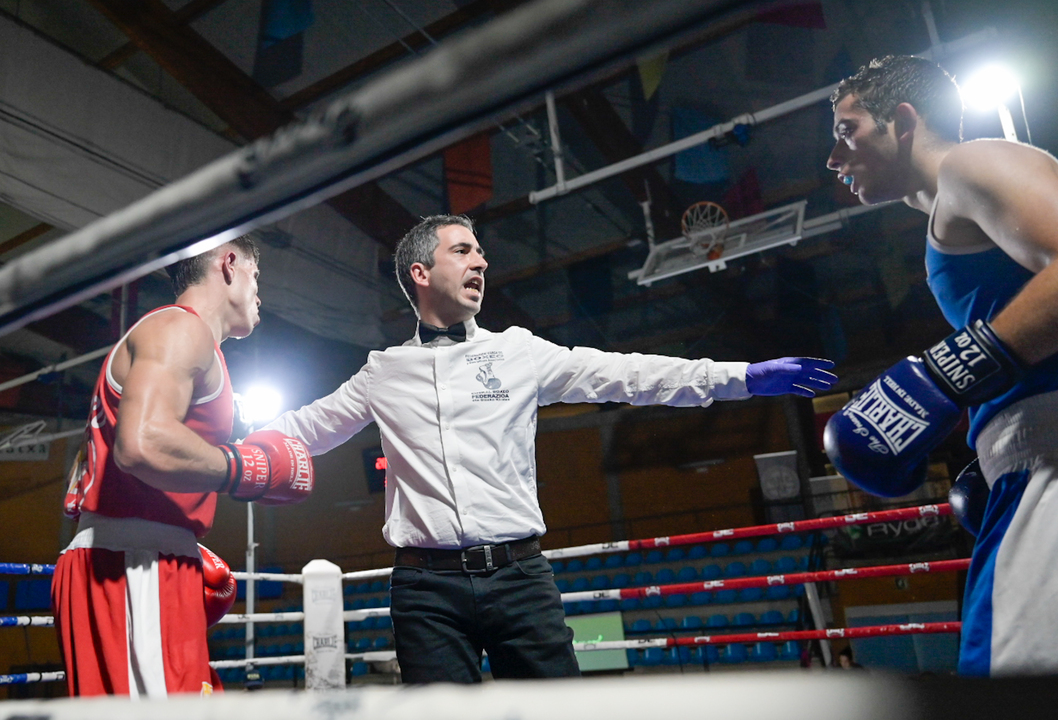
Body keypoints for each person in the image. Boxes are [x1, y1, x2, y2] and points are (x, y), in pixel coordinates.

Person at [265, 214, 837, 683]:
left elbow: (626, 374)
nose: (481, 263)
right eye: (462, 251)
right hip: (424, 589)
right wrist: (215, 442)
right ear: (420, 272)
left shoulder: (518, 351)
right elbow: (301, 430)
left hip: (519, 578)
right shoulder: (383, 372)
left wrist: (740, 377)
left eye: (481, 253)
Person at [822, 55, 1058, 676]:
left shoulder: (972, 164)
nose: (834, 158)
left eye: (847, 132)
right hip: (1041, 459)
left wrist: (950, 373)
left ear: (902, 120)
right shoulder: (954, 211)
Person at [51, 236, 315, 697]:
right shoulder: (180, 328)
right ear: (228, 263)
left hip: (137, 554)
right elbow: (142, 444)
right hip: (131, 564)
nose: (259, 293)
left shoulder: (186, 339)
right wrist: (246, 468)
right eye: (256, 276)